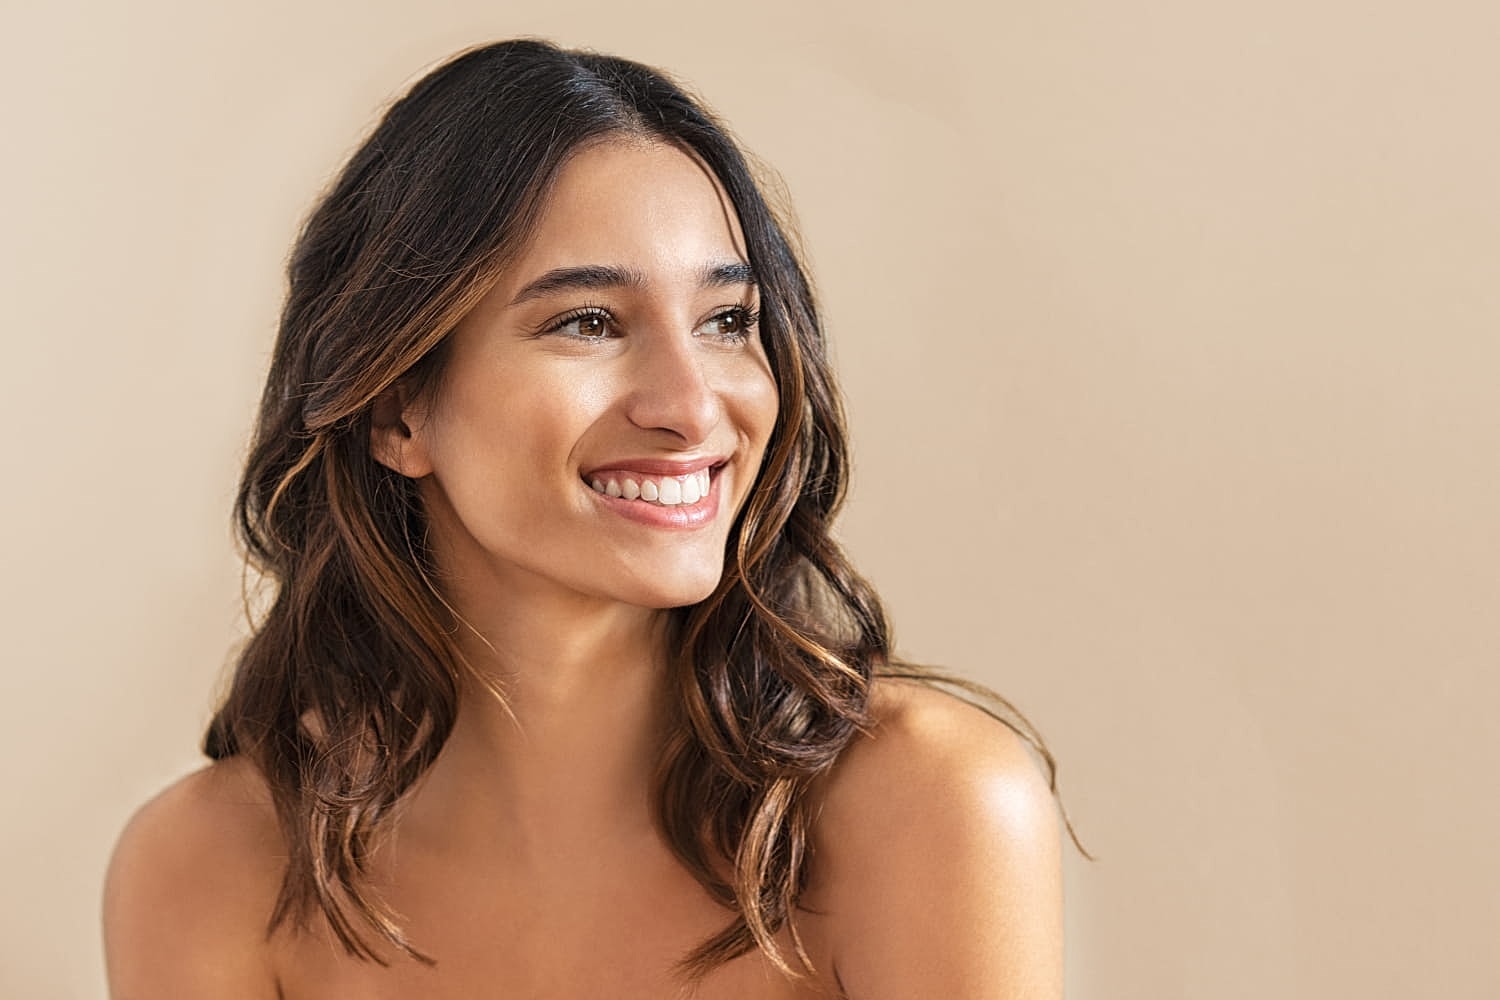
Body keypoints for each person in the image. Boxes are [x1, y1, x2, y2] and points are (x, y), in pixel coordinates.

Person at [103, 39, 1064, 999]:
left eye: (727, 321)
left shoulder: (931, 811)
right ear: (399, 408)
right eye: (589, 322)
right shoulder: (210, 873)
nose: (691, 407)